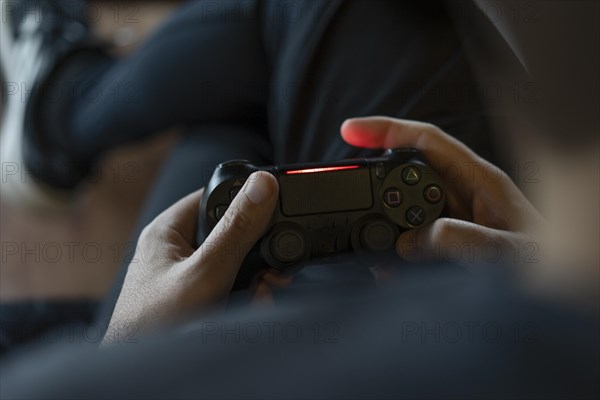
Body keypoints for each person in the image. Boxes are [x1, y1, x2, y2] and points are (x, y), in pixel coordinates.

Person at [1, 0, 498, 342]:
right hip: (450, 319)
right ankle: (58, 111)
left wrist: (128, 367)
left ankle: (56, 113)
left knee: (236, 123)